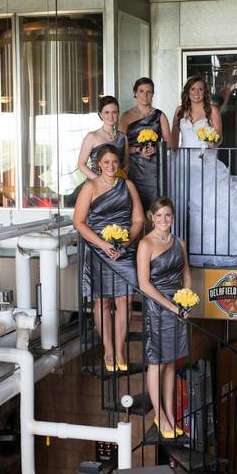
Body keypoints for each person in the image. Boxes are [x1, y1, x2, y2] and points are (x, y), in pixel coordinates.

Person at [170, 75, 237, 266]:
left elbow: (219, 139)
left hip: (207, 164)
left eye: (200, 89)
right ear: (187, 91)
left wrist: (211, 141)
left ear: (205, 91)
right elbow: (173, 141)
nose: (196, 93)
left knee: (211, 206)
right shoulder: (180, 111)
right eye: (193, 89)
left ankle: (212, 250)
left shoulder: (213, 111)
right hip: (185, 165)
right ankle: (183, 250)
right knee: (184, 207)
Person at [74, 144, 144, 372]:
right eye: (106, 163)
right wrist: (103, 245)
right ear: (99, 165)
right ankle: (108, 350)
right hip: (98, 249)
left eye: (114, 162)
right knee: (102, 301)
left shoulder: (129, 186)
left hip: (124, 250)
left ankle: (121, 349)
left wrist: (124, 244)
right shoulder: (90, 187)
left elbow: (139, 221)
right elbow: (79, 222)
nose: (111, 166)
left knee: (125, 301)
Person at [136, 197, 190, 439]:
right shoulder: (146, 244)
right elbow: (144, 284)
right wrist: (171, 305)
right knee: (157, 362)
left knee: (171, 363)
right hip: (158, 308)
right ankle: (159, 415)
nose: (163, 220)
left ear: (172, 217)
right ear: (152, 217)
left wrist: (186, 299)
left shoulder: (180, 242)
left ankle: (169, 414)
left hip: (178, 307)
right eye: (159, 216)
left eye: (167, 215)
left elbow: (186, 274)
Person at [120, 77, 171, 211]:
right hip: (133, 167)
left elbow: (169, 143)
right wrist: (137, 151)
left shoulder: (160, 115)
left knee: (155, 205)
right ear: (135, 93)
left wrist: (154, 150)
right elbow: (120, 144)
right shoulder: (125, 116)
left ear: (153, 94)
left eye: (149, 92)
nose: (145, 95)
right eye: (141, 91)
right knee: (134, 206)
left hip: (154, 168)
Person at [77, 96, 129, 181]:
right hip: (96, 185)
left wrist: (117, 182)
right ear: (101, 115)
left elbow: (126, 165)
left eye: (114, 112)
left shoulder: (123, 137)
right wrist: (100, 181)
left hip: (117, 184)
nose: (111, 116)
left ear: (118, 114)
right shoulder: (92, 136)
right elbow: (81, 164)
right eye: (107, 112)